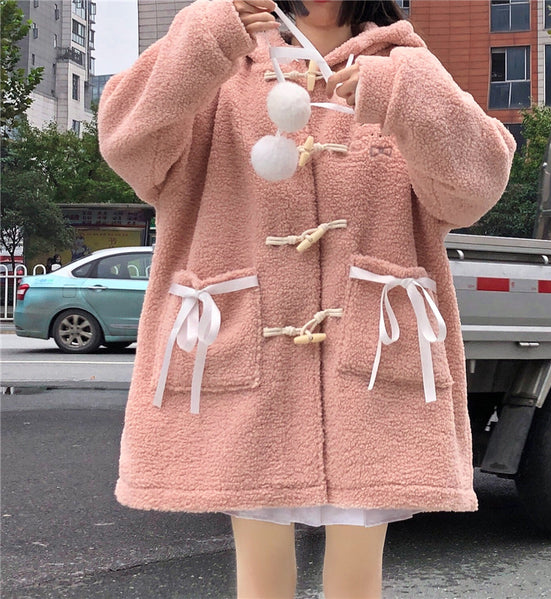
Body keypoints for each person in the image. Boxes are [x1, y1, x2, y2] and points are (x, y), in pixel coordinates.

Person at [97, 1, 516, 597]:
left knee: (357, 576)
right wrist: (206, 35)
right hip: (246, 350)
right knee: (260, 573)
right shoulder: (227, 65)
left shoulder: (403, 63)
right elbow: (127, 143)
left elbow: (475, 187)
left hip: (370, 360)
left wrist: (400, 95)